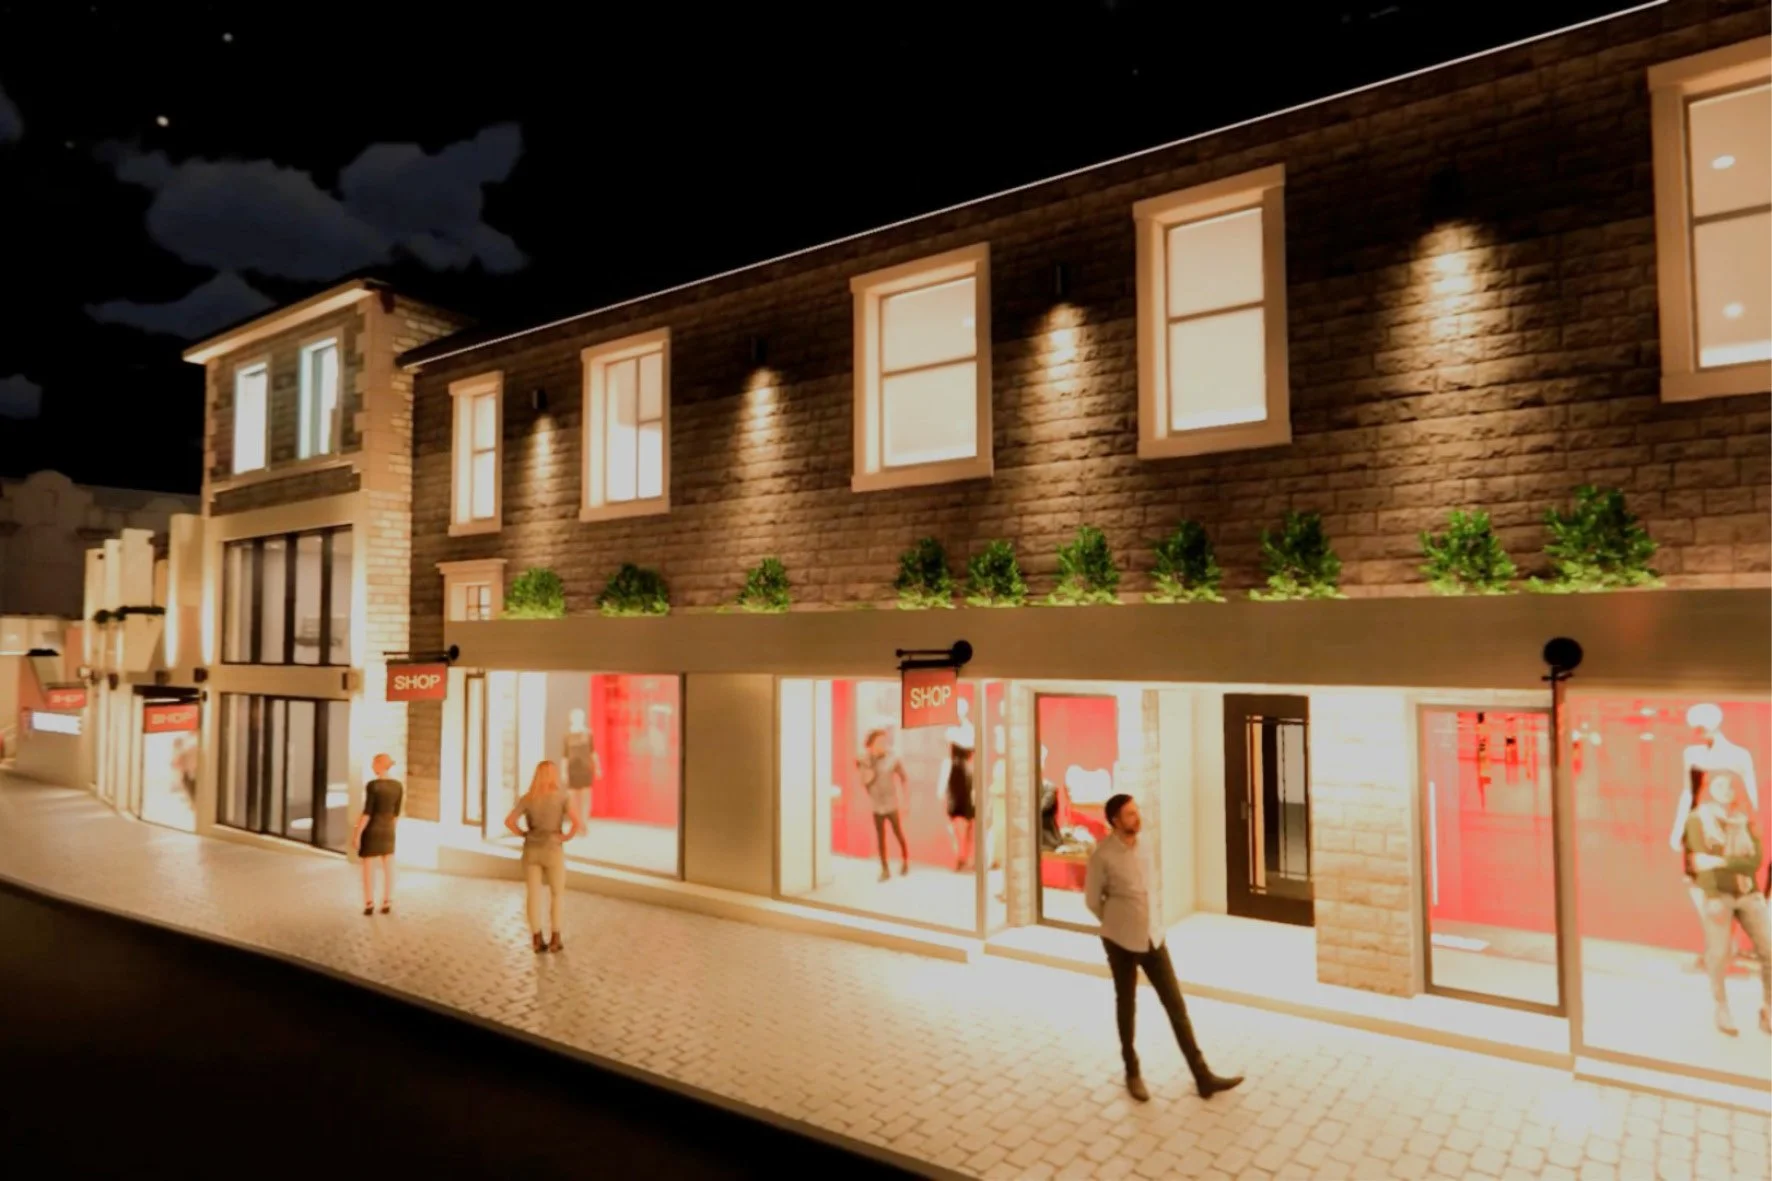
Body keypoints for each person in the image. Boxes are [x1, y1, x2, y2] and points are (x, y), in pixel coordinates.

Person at [1085, 793, 1241, 1103]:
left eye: (1137, 811)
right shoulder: (1102, 855)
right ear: (1115, 820)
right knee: (1126, 1005)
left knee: (1176, 1006)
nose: (1137, 817)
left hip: (1153, 938)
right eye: (1130, 814)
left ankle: (1202, 1076)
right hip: (1120, 941)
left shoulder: (1145, 846)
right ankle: (1132, 1071)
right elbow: (1092, 900)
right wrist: (1116, 921)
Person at [1670, 704, 1763, 965]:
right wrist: (1679, 827)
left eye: (1702, 727)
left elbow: (1750, 792)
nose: (1698, 733)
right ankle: (1719, 947)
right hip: (1700, 826)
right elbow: (1687, 792)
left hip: (1729, 828)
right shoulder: (1691, 754)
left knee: (1728, 886)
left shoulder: (1739, 755)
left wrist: (1752, 828)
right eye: (1696, 728)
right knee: (1700, 886)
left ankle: (1725, 950)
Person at [1685, 771, 1771, 1036]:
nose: (1726, 790)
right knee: (1719, 953)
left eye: (1731, 786)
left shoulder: (1744, 821)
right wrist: (1711, 896)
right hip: (1717, 894)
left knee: (1769, 951)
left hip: (1747, 893)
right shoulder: (1697, 820)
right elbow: (1700, 863)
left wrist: (1719, 861)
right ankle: (1721, 1007)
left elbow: (1754, 862)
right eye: (1720, 785)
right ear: (1710, 789)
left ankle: (1768, 1009)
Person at [505, 760, 579, 953]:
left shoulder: (528, 798)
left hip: (531, 850)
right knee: (557, 894)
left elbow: (509, 821)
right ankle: (555, 937)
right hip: (553, 849)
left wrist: (523, 834)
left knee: (533, 894)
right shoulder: (562, 797)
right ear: (553, 775)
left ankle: (537, 938)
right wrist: (565, 837)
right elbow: (576, 823)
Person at [351, 754, 403, 916]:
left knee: (368, 867)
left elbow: (367, 812)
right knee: (389, 866)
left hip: (372, 829)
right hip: (388, 829)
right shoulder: (398, 786)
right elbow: (396, 813)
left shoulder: (372, 786)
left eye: (374, 764)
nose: (372, 767)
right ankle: (387, 901)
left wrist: (357, 833)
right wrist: (391, 829)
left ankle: (369, 902)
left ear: (380, 765)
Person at [857, 728, 910, 882]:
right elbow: (864, 781)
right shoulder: (865, 760)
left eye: (884, 742)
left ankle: (905, 861)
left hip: (891, 803)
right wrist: (869, 761)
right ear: (871, 744)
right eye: (879, 742)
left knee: (898, 833)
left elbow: (904, 778)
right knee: (881, 838)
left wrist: (905, 801)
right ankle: (884, 868)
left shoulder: (893, 759)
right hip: (876, 805)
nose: (882, 745)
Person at [563, 707, 598, 839]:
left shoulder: (588, 734)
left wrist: (597, 767)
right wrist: (564, 772)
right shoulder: (567, 736)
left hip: (585, 770)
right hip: (572, 770)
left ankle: (584, 823)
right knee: (573, 799)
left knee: (585, 798)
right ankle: (577, 823)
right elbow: (564, 756)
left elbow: (593, 752)